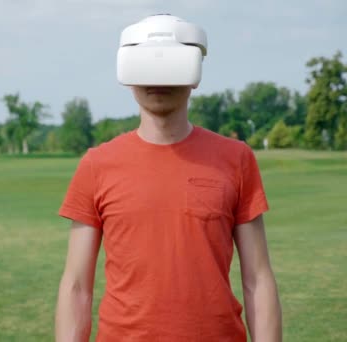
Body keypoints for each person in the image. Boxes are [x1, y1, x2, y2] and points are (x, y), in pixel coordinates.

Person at [55, 14, 281, 341]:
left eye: (171, 66)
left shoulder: (237, 159)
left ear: (195, 75)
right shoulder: (97, 164)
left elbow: (258, 280)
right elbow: (76, 287)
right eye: (147, 67)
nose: (158, 80)